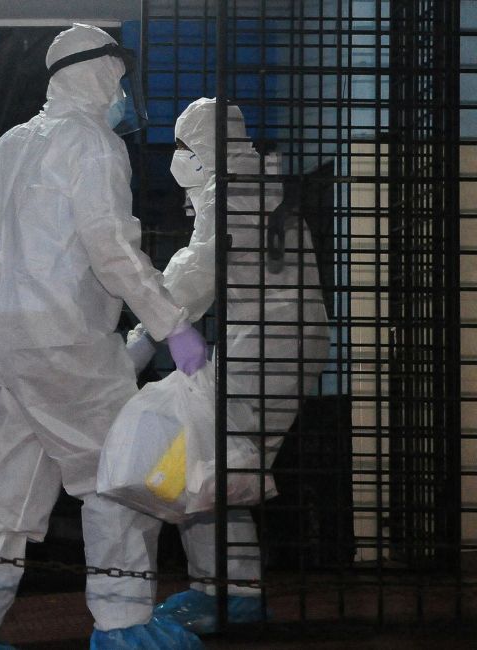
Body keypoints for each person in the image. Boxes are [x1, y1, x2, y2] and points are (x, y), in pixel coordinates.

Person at [0, 24, 208, 650]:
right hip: (67, 344)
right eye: (119, 78)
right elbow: (112, 249)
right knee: (115, 481)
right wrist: (173, 326)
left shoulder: (10, 143)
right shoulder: (93, 144)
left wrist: (21, 238)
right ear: (101, 73)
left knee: (8, 488)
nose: (124, 93)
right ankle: (124, 626)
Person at [121, 98, 329, 634]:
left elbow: (198, 270)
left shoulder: (232, 190)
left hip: (270, 341)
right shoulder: (250, 182)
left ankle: (232, 592)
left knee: (205, 462)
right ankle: (222, 588)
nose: (176, 159)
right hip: (272, 338)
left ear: (201, 148)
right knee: (216, 463)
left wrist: (147, 336)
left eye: (182, 147)